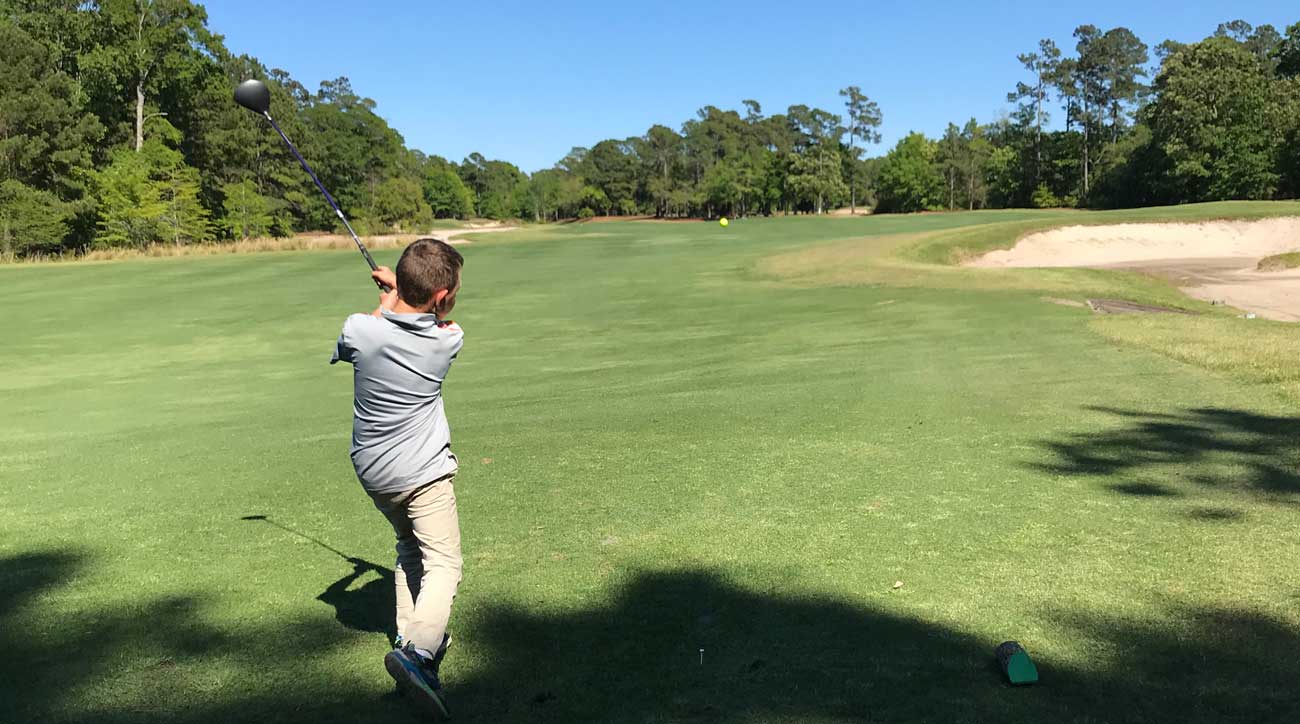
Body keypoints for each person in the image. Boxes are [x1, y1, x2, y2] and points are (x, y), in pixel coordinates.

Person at [330, 238, 465, 719]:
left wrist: (389, 298)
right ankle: (420, 656)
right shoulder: (448, 339)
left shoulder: (360, 329)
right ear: (442, 296)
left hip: (373, 471)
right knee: (445, 563)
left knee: (410, 550)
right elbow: (439, 320)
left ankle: (408, 645)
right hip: (422, 471)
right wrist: (403, 295)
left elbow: (371, 328)